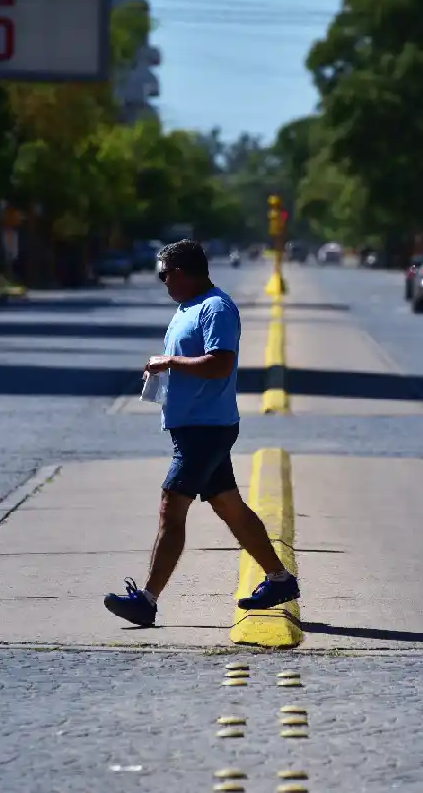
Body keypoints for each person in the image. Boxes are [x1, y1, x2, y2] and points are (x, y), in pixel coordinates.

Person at [103, 239, 301, 627]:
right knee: (229, 506)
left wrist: (170, 362)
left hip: (205, 429)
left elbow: (219, 364)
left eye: (164, 276)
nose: (163, 283)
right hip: (194, 427)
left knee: (171, 506)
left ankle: (146, 600)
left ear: (180, 272)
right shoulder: (188, 308)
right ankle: (279, 579)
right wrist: (163, 370)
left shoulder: (216, 308)